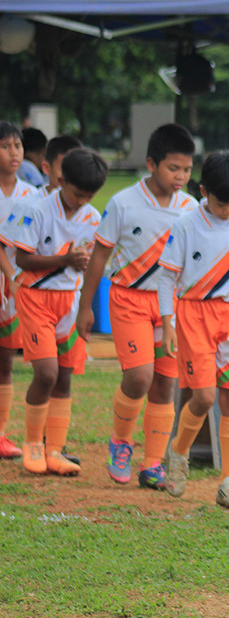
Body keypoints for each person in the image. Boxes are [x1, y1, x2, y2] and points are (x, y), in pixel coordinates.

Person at [76, 124, 198, 489]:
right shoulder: (124, 203)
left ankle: (153, 464)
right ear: (151, 164)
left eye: (187, 169)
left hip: (170, 306)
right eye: (173, 168)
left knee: (165, 383)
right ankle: (121, 441)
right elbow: (100, 256)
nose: (181, 177)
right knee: (140, 376)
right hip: (129, 300)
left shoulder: (191, 209)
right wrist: (85, 306)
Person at [158, 151, 229, 508]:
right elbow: (167, 277)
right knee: (203, 397)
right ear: (203, 191)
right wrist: (168, 323)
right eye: (221, 203)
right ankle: (178, 451)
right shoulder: (187, 225)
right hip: (194, 315)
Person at [12, 148, 105, 475]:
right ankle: (32, 444)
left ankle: (55, 450)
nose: (82, 201)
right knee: (47, 373)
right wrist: (65, 260)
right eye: (78, 194)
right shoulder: (36, 210)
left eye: (89, 196)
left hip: (70, 301)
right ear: (61, 180)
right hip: (36, 299)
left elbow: (93, 263)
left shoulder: (93, 218)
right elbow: (22, 259)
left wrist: (86, 307)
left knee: (65, 376)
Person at [0, 122, 43, 458]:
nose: (14, 153)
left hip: (15, 287)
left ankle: (1, 435)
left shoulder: (33, 194)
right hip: (11, 279)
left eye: (17, 146)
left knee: (5, 361)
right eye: (5, 146)